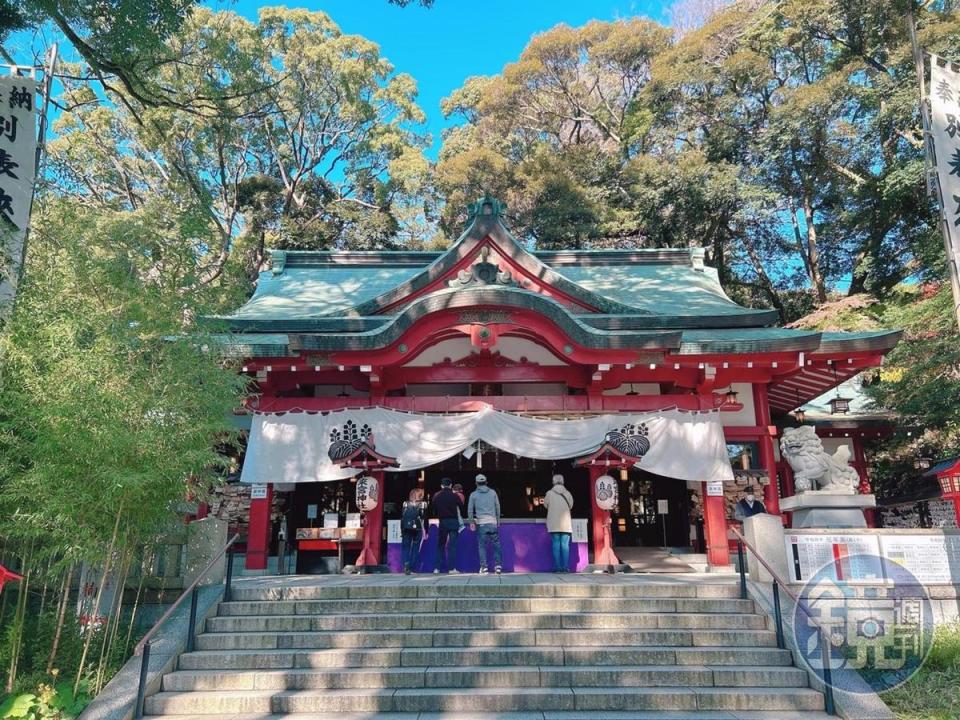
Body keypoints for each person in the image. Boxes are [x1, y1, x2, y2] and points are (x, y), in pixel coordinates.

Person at [467, 474, 502, 574]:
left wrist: (471, 522)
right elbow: (497, 507)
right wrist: (498, 520)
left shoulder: (473, 495)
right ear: (486, 482)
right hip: (492, 522)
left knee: (482, 545)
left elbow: (470, 510)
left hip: (481, 523)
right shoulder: (493, 493)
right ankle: (498, 566)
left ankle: (484, 567)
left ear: (476, 483)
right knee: (496, 544)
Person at [431, 477, 464, 574]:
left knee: (440, 545)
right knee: (452, 546)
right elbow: (461, 507)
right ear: (450, 485)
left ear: (441, 485)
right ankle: (452, 569)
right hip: (453, 522)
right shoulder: (455, 496)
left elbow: (433, 508)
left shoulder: (437, 496)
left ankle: (436, 568)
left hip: (443, 522)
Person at [543, 473, 574, 572]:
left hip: (554, 523)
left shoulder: (549, 493)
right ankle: (565, 568)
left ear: (553, 481)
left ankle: (557, 567)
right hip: (566, 523)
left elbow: (545, 505)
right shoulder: (568, 493)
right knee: (565, 545)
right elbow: (571, 505)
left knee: (556, 544)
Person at [400, 488, 426, 574]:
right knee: (415, 548)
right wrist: (425, 530)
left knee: (406, 547)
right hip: (417, 528)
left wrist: (402, 529)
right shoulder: (423, 504)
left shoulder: (405, 503)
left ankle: (406, 564)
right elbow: (424, 518)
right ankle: (411, 568)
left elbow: (402, 517)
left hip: (406, 527)